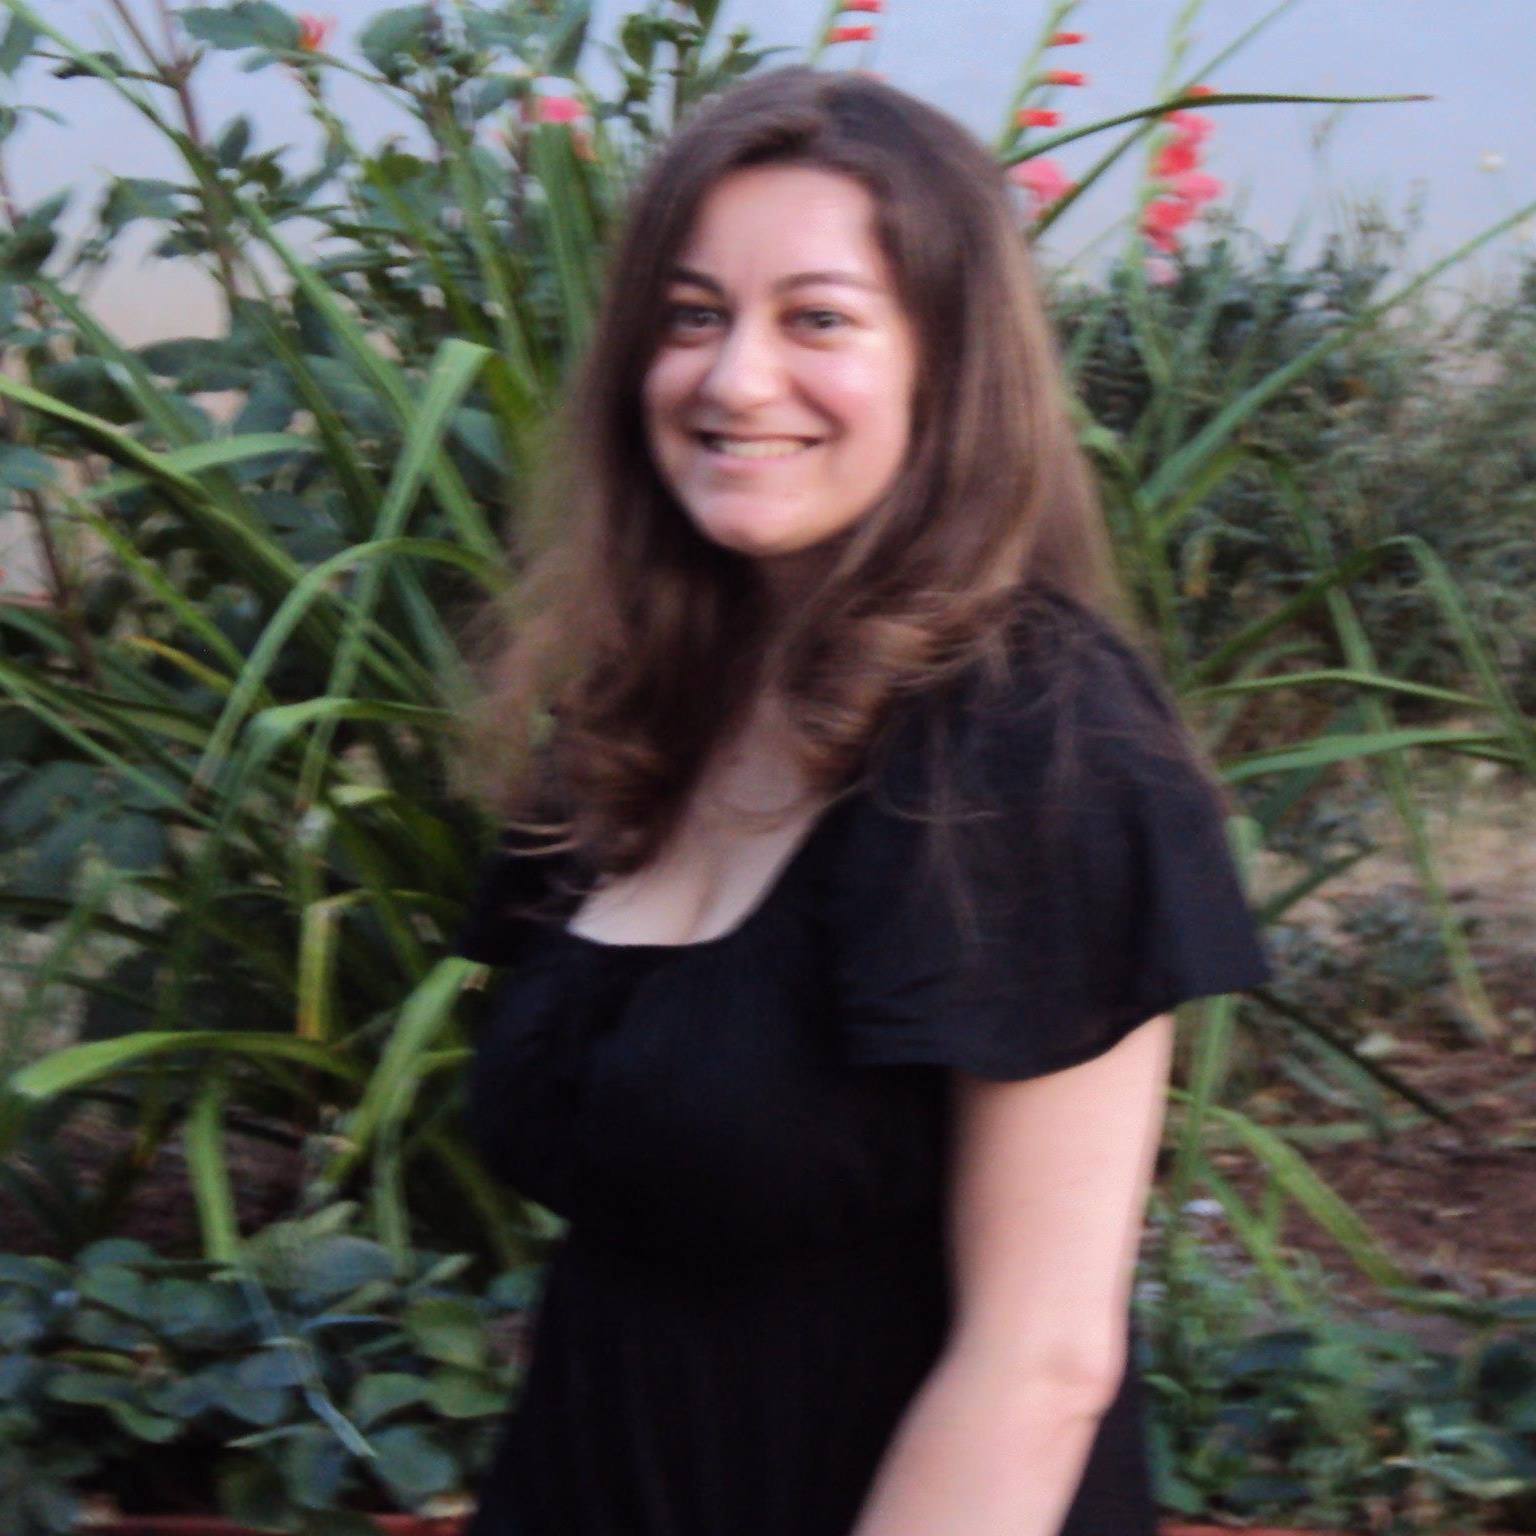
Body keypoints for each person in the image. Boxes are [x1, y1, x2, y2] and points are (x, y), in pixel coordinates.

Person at [447, 63, 1272, 1536]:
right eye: (692, 316)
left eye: (817, 318)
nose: (734, 379)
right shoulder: (646, 706)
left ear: (949, 370)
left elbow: (1041, 1364)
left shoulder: (1032, 740)